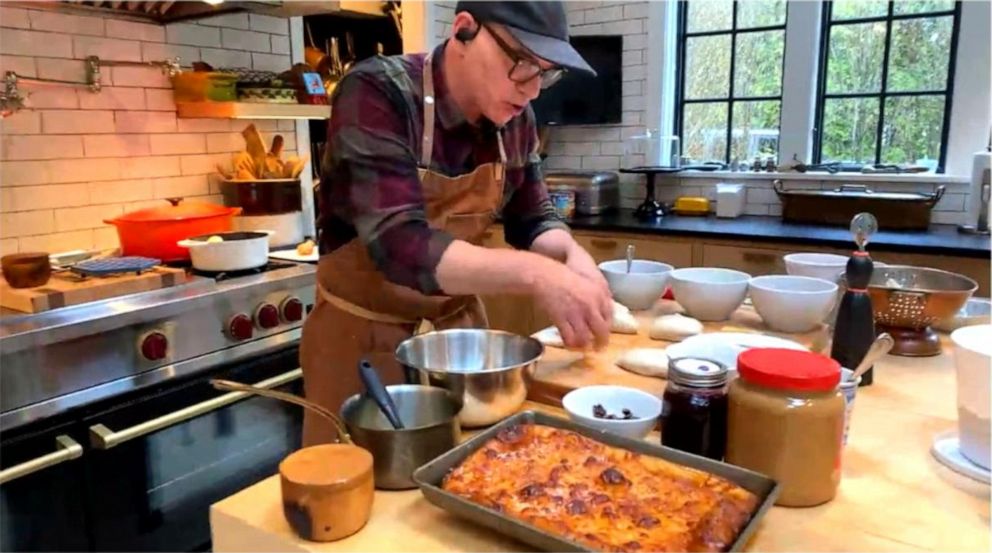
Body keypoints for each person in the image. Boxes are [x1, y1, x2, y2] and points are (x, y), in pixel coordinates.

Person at [301, 1, 613, 446]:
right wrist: (539, 274)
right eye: (522, 63)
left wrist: (569, 255)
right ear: (464, 30)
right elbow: (399, 243)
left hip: (458, 346)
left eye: (546, 73)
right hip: (361, 344)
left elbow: (532, 217)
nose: (533, 90)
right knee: (354, 495)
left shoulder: (516, 119)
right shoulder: (376, 91)